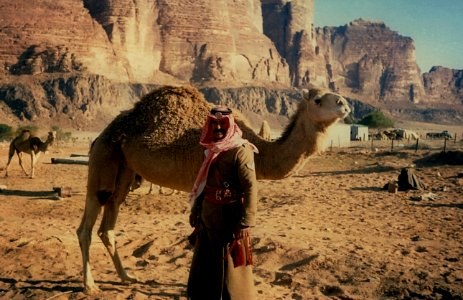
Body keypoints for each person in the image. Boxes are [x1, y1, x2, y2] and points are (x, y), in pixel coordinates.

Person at [187, 106, 259, 300]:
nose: (218, 127)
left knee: (231, 267)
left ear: (230, 125)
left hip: (230, 217)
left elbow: (250, 187)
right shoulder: (210, 150)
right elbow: (205, 184)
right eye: (214, 124)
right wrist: (196, 209)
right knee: (206, 260)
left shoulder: (241, 150)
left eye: (222, 124)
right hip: (208, 215)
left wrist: (246, 222)